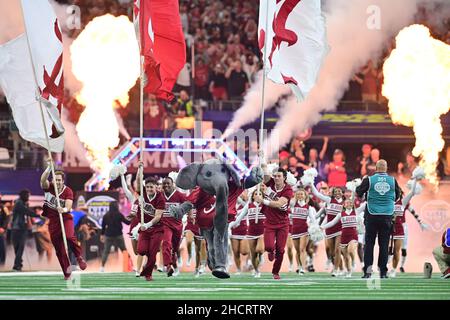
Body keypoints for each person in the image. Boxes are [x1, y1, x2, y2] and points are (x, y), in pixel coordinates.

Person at [40, 165, 87, 279]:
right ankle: (67, 273)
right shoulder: (49, 187)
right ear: (52, 180)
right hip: (53, 221)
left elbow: (69, 205)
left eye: (59, 180)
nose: (58, 182)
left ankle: (79, 257)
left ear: (63, 181)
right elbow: (42, 180)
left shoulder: (68, 191)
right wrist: (48, 169)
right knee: (59, 249)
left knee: (69, 237)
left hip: (65, 218)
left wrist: (64, 209)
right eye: (56, 180)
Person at [356, 159, 401, 278]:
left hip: (372, 215)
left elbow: (358, 192)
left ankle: (368, 272)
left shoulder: (369, 180)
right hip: (387, 215)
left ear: (376, 168)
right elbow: (397, 196)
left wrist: (366, 195)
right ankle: (383, 272)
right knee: (384, 244)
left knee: (369, 244)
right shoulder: (392, 180)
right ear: (386, 168)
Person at [255, 167, 294, 280]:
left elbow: (278, 204)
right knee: (268, 246)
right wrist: (262, 157)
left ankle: (275, 272)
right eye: (275, 176)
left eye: (279, 176)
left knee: (280, 250)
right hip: (269, 222)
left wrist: (262, 201)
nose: (276, 178)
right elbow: (265, 172)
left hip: (283, 223)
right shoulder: (270, 183)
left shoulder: (288, 190)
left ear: (284, 178)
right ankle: (271, 251)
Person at [132, 167, 166, 281]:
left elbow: (157, 216)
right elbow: (138, 180)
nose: (149, 189)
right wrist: (139, 169)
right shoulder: (142, 192)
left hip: (157, 228)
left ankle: (148, 274)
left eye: (151, 187)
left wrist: (147, 225)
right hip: (144, 228)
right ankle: (142, 269)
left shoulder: (160, 198)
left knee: (152, 253)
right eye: (147, 187)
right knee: (141, 250)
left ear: (156, 187)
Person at [322, 198, 365, 277]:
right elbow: (332, 222)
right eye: (347, 203)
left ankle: (353, 261)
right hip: (344, 236)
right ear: (344, 205)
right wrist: (323, 227)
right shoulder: (340, 214)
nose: (349, 204)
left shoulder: (356, 212)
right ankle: (349, 271)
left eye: (350, 203)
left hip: (353, 236)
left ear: (352, 204)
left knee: (351, 250)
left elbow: (365, 204)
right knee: (345, 256)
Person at [309, 182, 344, 276]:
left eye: (339, 191)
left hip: (340, 229)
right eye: (336, 192)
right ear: (333, 193)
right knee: (332, 252)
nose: (337, 193)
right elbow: (317, 194)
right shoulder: (329, 200)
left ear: (342, 193)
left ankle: (336, 270)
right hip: (329, 229)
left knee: (337, 250)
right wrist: (311, 184)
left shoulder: (345, 202)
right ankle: (339, 267)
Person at [161, 177, 187, 276]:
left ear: (173, 184)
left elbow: (188, 205)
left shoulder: (179, 195)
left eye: (168, 183)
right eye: (164, 184)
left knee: (175, 249)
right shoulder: (160, 196)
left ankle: (175, 266)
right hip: (166, 225)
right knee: (166, 243)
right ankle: (168, 266)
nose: (166, 185)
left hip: (178, 226)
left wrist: (189, 215)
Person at [11, 189, 41, 272]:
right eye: (28, 195)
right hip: (17, 228)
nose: (29, 197)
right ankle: (18, 264)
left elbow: (26, 213)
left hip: (21, 229)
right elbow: (27, 212)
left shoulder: (23, 203)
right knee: (18, 247)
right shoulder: (19, 203)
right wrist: (38, 215)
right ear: (24, 195)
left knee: (20, 247)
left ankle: (17, 265)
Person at [290, 188, 317, 275]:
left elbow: (313, 219)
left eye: (302, 194)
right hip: (294, 230)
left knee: (302, 249)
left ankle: (302, 268)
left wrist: (315, 227)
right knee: (297, 250)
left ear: (305, 196)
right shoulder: (293, 205)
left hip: (304, 230)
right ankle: (298, 266)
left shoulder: (308, 207)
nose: (300, 196)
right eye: (298, 194)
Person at [100, 201, 130, 272]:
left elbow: (103, 227)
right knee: (124, 250)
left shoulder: (106, 215)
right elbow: (127, 222)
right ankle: (130, 266)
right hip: (118, 235)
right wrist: (132, 217)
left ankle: (102, 267)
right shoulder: (119, 215)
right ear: (116, 207)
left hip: (108, 236)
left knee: (106, 252)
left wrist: (102, 235)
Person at [0, 193, 10, 266]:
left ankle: (2, 264)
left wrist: (3, 227)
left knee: (2, 247)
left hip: (1, 230)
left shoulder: (3, 207)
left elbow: (7, 218)